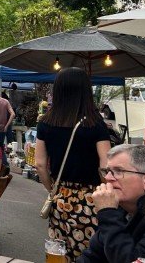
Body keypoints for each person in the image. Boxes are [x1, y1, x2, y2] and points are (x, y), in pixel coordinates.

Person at [35, 67, 111, 262]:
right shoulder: (95, 124)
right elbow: (105, 166)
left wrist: (53, 189)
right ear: (86, 90)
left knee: (60, 253)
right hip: (91, 199)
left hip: (60, 198)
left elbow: (40, 165)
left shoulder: (45, 122)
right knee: (89, 254)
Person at [77, 144, 145, 263]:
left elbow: (134, 260)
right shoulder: (121, 207)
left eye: (118, 171)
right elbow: (91, 256)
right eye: (107, 171)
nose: (108, 178)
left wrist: (108, 214)